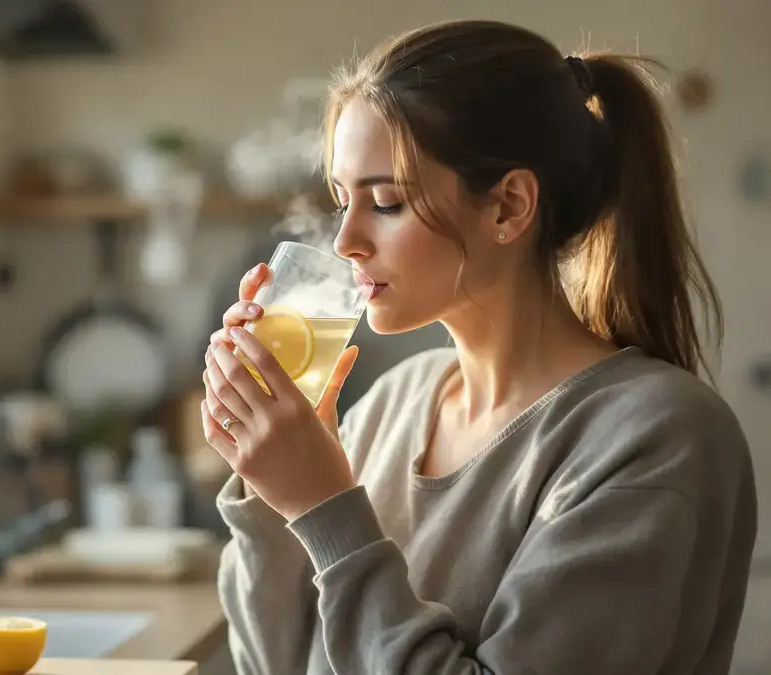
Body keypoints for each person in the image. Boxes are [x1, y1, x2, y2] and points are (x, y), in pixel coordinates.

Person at [199, 19, 758, 675]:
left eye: (385, 202)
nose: (344, 239)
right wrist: (271, 491)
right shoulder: (393, 403)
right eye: (340, 199)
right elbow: (277, 664)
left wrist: (325, 511)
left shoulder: (656, 437)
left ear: (508, 207)